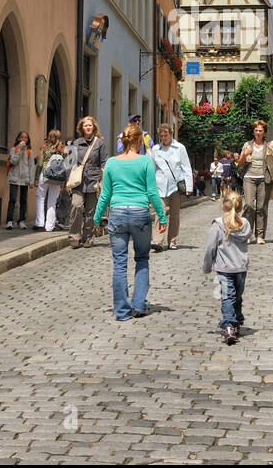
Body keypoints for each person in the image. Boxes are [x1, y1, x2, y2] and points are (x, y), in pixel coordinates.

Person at [92, 125, 167, 320]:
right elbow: (152, 192)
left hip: (117, 213)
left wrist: (97, 216)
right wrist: (162, 215)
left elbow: (105, 193)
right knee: (142, 259)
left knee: (119, 263)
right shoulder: (145, 162)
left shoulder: (111, 163)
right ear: (137, 141)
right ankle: (139, 304)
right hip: (139, 213)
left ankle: (122, 311)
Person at [202, 190, 251, 343]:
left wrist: (207, 266)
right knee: (237, 296)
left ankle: (229, 324)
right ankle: (236, 323)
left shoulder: (217, 226)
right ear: (241, 208)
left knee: (227, 297)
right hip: (241, 268)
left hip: (224, 268)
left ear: (223, 206)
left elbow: (210, 247)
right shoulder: (245, 224)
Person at [235, 119, 273, 245]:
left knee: (261, 207)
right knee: (249, 205)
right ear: (253, 132)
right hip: (249, 177)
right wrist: (245, 155)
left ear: (264, 132)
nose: (258, 132)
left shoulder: (269, 146)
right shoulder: (247, 145)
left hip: (265, 179)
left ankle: (260, 235)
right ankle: (248, 233)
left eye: (260, 130)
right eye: (256, 130)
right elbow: (239, 163)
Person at [150, 124, 194, 251]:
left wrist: (189, 187)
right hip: (160, 185)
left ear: (171, 134)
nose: (164, 138)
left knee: (175, 214)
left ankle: (172, 240)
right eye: (161, 135)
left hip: (175, 186)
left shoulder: (180, 148)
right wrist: (151, 188)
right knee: (160, 212)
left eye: (166, 135)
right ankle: (157, 241)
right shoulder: (156, 150)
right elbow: (152, 169)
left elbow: (186, 167)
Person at [67, 116, 108, 248]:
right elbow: (71, 162)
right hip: (78, 180)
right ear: (81, 128)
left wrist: (103, 181)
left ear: (94, 127)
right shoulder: (76, 143)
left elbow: (104, 163)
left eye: (90, 125)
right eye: (85, 125)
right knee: (76, 206)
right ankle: (74, 237)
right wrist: (68, 179)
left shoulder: (100, 144)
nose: (88, 127)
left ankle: (88, 237)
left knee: (91, 211)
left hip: (94, 180)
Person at [34, 129, 68, 232]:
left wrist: (36, 178)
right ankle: (49, 226)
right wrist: (65, 181)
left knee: (41, 198)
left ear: (49, 137)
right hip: (58, 178)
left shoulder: (45, 149)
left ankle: (40, 223)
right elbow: (66, 166)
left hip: (45, 175)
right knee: (52, 201)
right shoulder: (64, 150)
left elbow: (39, 164)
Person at [3, 131, 35, 230]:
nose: (23, 139)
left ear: (28, 140)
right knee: (12, 199)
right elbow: (13, 161)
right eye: (21, 137)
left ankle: (21, 220)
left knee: (23, 200)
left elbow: (32, 166)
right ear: (18, 139)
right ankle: (9, 221)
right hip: (14, 177)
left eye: (25, 138)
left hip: (25, 178)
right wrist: (20, 150)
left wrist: (31, 180)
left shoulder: (30, 152)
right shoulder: (14, 149)